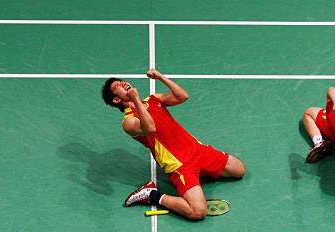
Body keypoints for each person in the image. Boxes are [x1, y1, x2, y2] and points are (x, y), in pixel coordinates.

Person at [101, 69, 245, 220]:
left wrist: (161, 77)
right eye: (117, 86)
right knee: (198, 212)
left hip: (198, 150)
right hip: (180, 166)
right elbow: (150, 128)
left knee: (239, 170)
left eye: (122, 81)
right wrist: (136, 100)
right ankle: (152, 195)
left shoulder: (153, 100)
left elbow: (182, 96)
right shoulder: (128, 122)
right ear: (116, 100)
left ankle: (201, 173)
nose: (123, 83)